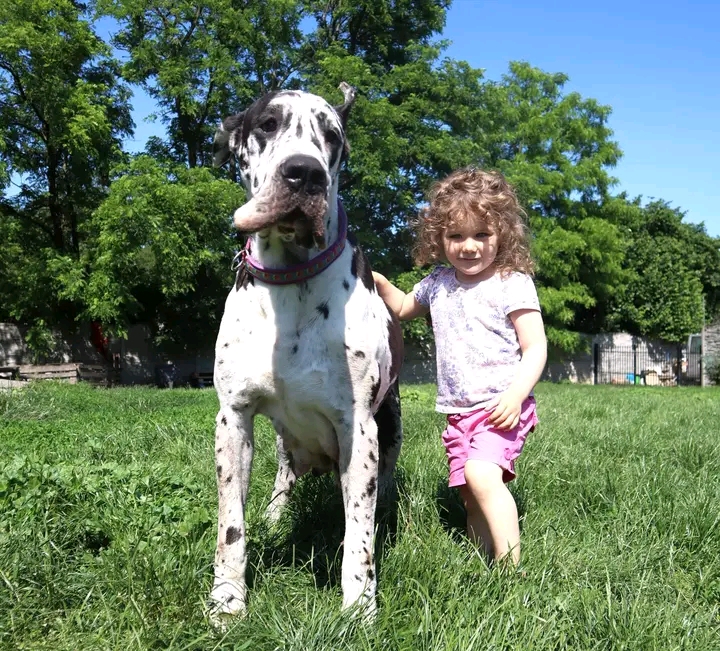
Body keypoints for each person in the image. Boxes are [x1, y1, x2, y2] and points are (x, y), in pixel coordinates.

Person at [373, 167, 547, 565]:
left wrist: (516, 395)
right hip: (459, 411)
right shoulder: (437, 283)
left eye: (481, 234)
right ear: (439, 238)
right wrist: (379, 282)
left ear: (502, 234)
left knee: (483, 476)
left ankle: (512, 571)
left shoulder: (511, 282)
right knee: (470, 492)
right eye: (456, 236)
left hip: (501, 404)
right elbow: (403, 307)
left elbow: (536, 346)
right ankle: (481, 562)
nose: (469, 246)